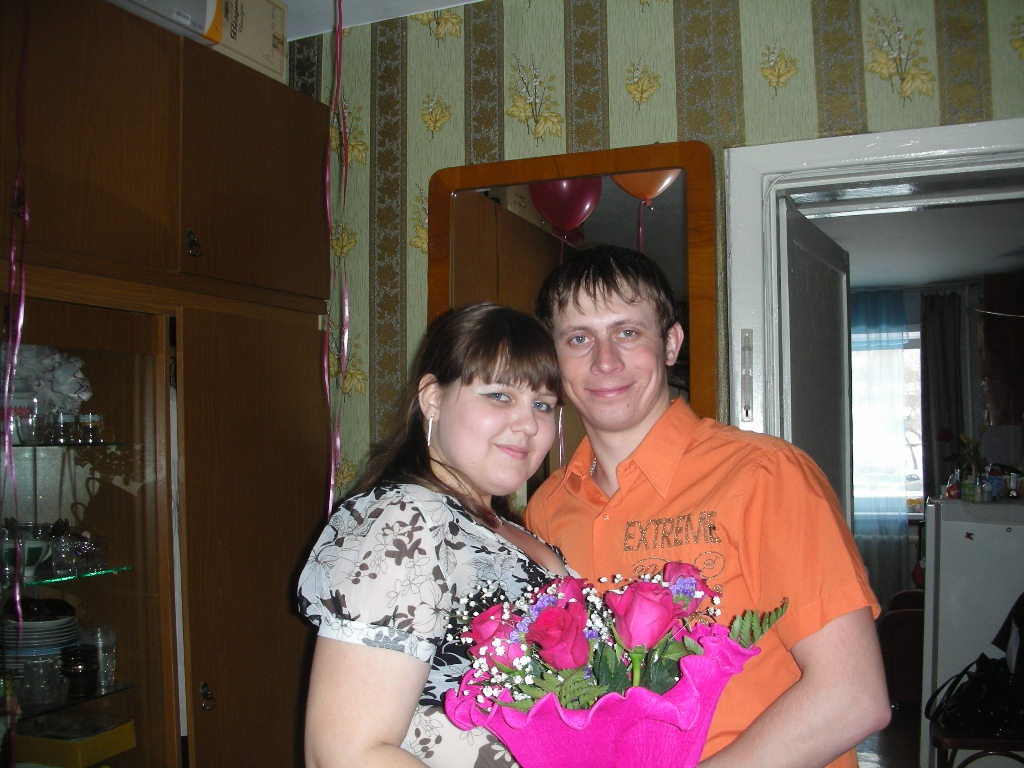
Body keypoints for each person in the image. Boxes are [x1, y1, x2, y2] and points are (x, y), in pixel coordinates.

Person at [524, 244, 891, 768]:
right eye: (579, 338)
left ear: (671, 343)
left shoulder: (765, 476)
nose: (605, 361)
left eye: (627, 333)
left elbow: (853, 696)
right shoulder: (547, 509)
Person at [298, 302, 568, 768]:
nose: (528, 424)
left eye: (542, 404)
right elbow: (344, 754)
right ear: (432, 399)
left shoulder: (507, 528)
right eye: (500, 395)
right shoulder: (404, 521)